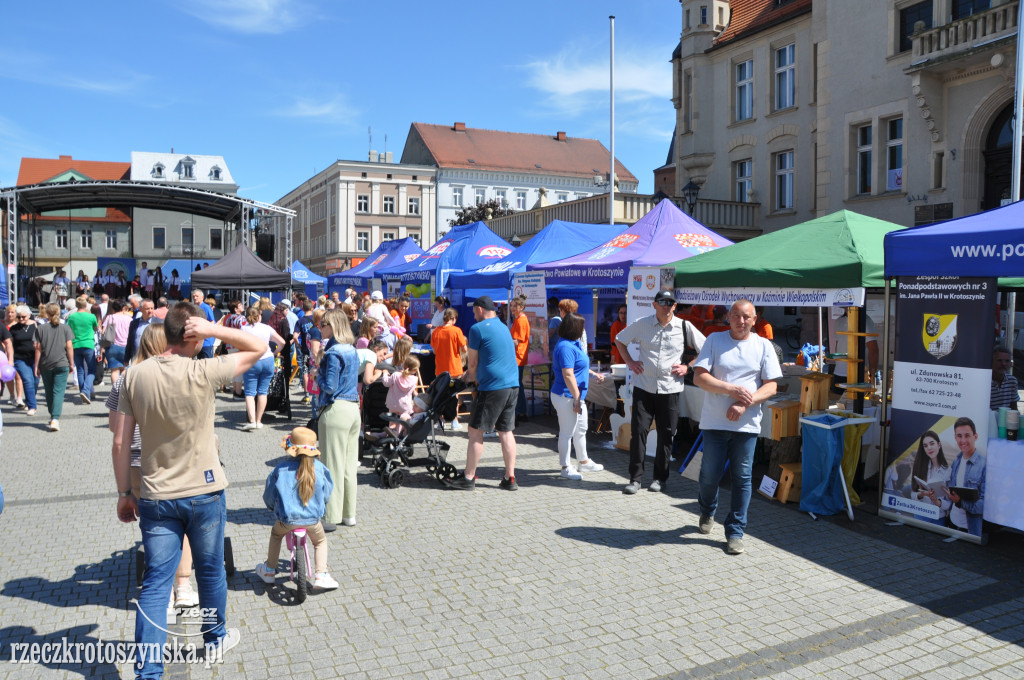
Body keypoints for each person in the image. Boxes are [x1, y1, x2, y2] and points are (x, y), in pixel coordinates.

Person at [113, 301, 265, 675]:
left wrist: (123, 493)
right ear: (193, 336)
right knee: (210, 571)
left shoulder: (133, 376)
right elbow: (259, 348)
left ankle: (149, 670)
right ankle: (214, 641)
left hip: (156, 495)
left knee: (156, 582)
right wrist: (214, 330)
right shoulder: (205, 371)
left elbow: (119, 443)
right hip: (204, 490)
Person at [692, 299, 782, 555]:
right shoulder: (714, 340)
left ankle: (735, 531)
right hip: (714, 422)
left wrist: (745, 403)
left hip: (747, 425)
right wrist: (731, 389)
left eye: (747, 317)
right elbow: (699, 377)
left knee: (742, 478)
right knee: (709, 475)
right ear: (728, 318)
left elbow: (771, 386)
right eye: (736, 316)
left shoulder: (764, 345)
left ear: (755, 320)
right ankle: (707, 509)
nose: (741, 321)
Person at [614, 290, 693, 495]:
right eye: (662, 302)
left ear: (675, 306)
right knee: (638, 433)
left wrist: (688, 367)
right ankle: (635, 479)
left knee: (666, 435)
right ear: (654, 304)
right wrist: (630, 362)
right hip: (644, 387)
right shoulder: (642, 324)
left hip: (670, 389)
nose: (666, 305)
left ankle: (660, 478)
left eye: (670, 302)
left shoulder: (684, 326)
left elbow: (707, 349)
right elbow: (619, 340)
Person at [446, 296, 520, 491]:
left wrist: (469, 377)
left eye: (473, 311)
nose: (472, 314)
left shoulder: (477, 329)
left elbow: (472, 363)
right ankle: (510, 478)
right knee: (506, 431)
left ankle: (469, 477)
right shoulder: (503, 326)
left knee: (475, 431)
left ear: (479, 309)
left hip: (492, 387)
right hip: (512, 384)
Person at [256, 427, 339, 590]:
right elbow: (327, 493)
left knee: (276, 535)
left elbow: (269, 495)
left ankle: (269, 571)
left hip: (286, 520)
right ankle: (321, 575)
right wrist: (322, 507)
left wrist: (272, 507)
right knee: (320, 541)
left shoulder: (280, 469)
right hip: (313, 521)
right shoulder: (320, 468)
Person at [316, 309, 361, 530]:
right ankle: (349, 514)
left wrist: (318, 375)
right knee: (349, 466)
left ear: (332, 325)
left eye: (323, 323)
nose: (320, 326)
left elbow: (329, 386)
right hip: (353, 409)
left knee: (331, 465)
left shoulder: (333, 353)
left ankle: (331, 517)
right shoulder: (352, 350)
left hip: (335, 409)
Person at [550, 312, 605, 480]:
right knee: (567, 433)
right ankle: (565, 467)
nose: (583, 330)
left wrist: (592, 374)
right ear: (574, 328)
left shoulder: (573, 344)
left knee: (581, 429)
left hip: (574, 396)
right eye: (581, 326)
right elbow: (568, 374)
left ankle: (584, 461)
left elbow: (577, 367)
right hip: (567, 396)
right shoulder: (566, 346)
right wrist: (575, 398)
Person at [241, 305, 286, 431]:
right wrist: (274, 353)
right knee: (263, 391)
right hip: (267, 359)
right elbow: (282, 342)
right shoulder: (267, 328)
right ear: (259, 316)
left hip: (252, 360)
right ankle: (259, 420)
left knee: (250, 393)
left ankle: (252, 421)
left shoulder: (243, 328)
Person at [941, 417, 986, 536]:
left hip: (970, 530)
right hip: (952, 523)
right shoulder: (957, 460)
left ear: (975, 437)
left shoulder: (983, 465)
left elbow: (984, 505)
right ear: (955, 437)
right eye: (959, 436)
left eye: (967, 435)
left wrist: (960, 502)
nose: (963, 440)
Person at [34, 302, 74, 432]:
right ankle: (55, 418)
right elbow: (69, 347)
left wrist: (36, 365)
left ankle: (53, 415)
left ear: (47, 313)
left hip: (46, 363)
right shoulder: (65, 328)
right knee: (58, 392)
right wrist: (71, 363)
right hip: (62, 363)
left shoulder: (40, 328)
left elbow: (38, 349)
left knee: (49, 391)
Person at [430, 308, 467, 431]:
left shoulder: (436, 331)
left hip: (440, 369)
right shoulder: (456, 331)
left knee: (440, 395)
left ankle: (440, 419)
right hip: (454, 368)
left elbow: (434, 351)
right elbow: (464, 349)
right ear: (453, 318)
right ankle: (454, 420)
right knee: (454, 395)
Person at [829, 309, 878, 395]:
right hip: (839, 373)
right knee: (838, 405)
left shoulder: (865, 321)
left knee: (857, 405)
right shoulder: (839, 321)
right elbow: (838, 345)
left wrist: (872, 375)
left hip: (859, 374)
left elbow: (873, 349)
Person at [66, 296, 99, 404]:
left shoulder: (72, 317)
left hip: (76, 345)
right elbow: (96, 328)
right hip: (88, 344)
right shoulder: (91, 316)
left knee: (79, 370)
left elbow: (68, 330)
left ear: (76, 305)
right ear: (86, 305)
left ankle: (83, 393)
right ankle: (85, 391)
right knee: (91, 370)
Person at [10, 305, 38, 416]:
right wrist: (10, 359)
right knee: (27, 380)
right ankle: (32, 406)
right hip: (20, 358)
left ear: (29, 315)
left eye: (23, 317)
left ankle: (29, 400)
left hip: (35, 358)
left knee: (35, 381)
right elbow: (10, 344)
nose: (21, 319)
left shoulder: (36, 326)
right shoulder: (14, 328)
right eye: (19, 317)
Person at [382, 356, 421, 434]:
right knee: (402, 422)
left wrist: (385, 374)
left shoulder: (396, 375)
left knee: (392, 422)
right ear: (415, 370)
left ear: (403, 365)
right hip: (405, 405)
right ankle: (399, 436)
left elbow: (386, 383)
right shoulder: (414, 379)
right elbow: (413, 391)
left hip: (393, 403)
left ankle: (391, 437)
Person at [101, 300, 133, 387]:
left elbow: (103, 332)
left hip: (112, 346)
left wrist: (102, 348)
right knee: (124, 369)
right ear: (123, 308)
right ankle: (122, 390)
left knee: (114, 371)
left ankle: (115, 391)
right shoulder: (129, 319)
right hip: (126, 347)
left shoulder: (110, 317)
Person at [510, 295, 531, 423]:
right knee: (518, 385)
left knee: (516, 386)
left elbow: (516, 341)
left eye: (514, 306)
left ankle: (518, 413)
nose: (512, 308)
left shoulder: (521, 320)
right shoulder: (519, 319)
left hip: (518, 357)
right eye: (511, 305)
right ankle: (521, 413)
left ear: (521, 307)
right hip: (518, 357)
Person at [124, 298, 159, 364]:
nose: (150, 311)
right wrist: (126, 359)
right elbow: (130, 341)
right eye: (147, 308)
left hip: (152, 359)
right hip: (136, 358)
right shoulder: (134, 323)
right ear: (141, 309)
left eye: (152, 308)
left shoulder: (159, 323)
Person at [191, 289, 217, 359]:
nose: (195, 298)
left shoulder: (206, 307)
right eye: (193, 296)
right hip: (197, 343)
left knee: (207, 364)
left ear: (202, 297)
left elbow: (212, 322)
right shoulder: (194, 308)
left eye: (196, 296)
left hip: (206, 342)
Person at [990, 346, 1018, 411]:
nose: (1003, 364)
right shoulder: (984, 381)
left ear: (1011, 364)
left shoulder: (1012, 381)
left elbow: (1014, 408)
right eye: (999, 360)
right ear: (991, 362)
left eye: (1007, 361)